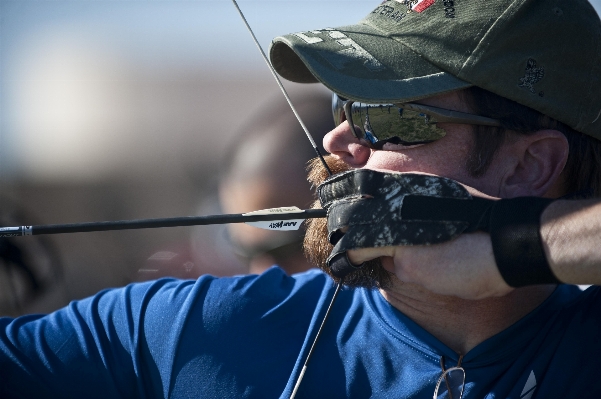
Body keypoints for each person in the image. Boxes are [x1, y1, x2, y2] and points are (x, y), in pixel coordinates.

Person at [1, 0, 601, 398]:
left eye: (385, 117)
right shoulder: (189, 333)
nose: (336, 139)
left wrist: (514, 245)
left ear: (530, 163)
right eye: (344, 108)